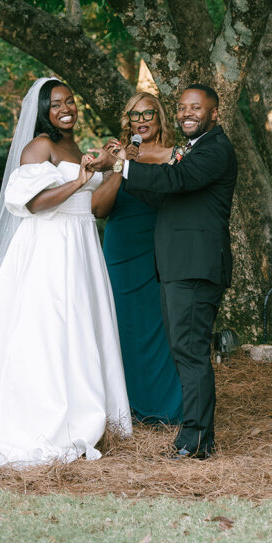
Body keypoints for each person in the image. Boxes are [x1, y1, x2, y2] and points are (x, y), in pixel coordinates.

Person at [0, 78, 131, 468]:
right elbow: (31, 203)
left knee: (81, 327)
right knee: (50, 329)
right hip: (51, 248)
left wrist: (112, 167)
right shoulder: (38, 147)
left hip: (81, 246)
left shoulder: (74, 147)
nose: (67, 108)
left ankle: (86, 409)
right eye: (57, 103)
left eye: (71, 101)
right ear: (43, 110)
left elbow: (95, 206)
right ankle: (47, 415)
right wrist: (80, 179)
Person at [99, 83, 237, 459]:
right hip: (177, 265)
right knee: (184, 350)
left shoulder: (215, 149)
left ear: (213, 113)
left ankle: (196, 440)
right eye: (182, 107)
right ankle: (196, 436)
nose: (187, 113)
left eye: (196, 107)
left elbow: (176, 180)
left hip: (195, 265)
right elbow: (163, 195)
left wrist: (122, 164)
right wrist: (121, 170)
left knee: (190, 353)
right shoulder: (194, 149)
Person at [92, 92, 183, 424]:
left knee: (162, 325)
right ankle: (123, 404)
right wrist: (120, 165)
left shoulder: (175, 155)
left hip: (161, 248)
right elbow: (99, 209)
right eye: (135, 115)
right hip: (121, 249)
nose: (142, 121)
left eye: (149, 114)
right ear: (126, 121)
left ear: (159, 118)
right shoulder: (113, 152)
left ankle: (165, 405)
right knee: (122, 325)